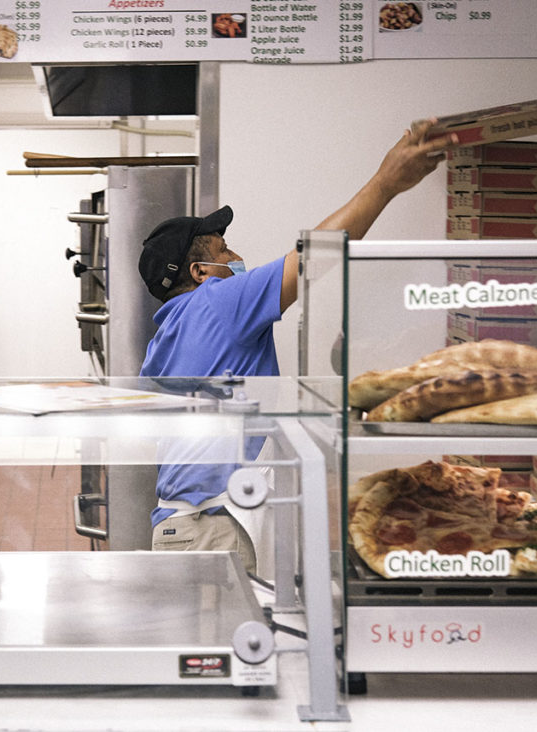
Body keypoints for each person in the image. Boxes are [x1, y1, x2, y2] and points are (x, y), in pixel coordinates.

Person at [136, 119, 458, 573]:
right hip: (216, 529)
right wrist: (388, 182)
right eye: (224, 250)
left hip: (183, 526)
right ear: (200, 272)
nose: (235, 257)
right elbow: (318, 254)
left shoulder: (164, 339)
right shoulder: (216, 302)